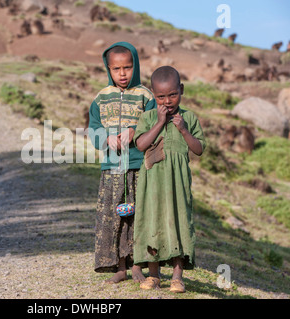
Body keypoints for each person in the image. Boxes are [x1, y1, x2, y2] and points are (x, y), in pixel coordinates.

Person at [133, 66, 206, 293]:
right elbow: (141, 144)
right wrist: (159, 123)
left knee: (179, 224)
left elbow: (199, 149)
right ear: (153, 94)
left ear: (181, 90)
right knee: (152, 224)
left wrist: (184, 130)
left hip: (178, 185)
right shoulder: (147, 117)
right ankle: (154, 276)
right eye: (161, 96)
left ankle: (177, 277)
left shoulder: (189, 118)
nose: (167, 101)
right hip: (152, 186)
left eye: (172, 94)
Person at [88, 42, 156, 284]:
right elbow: (93, 128)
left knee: (139, 216)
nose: (123, 73)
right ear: (109, 69)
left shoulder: (146, 96)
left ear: (135, 65)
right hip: (112, 167)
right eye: (117, 69)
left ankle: (139, 264)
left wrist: (133, 130)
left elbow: (153, 125)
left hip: (140, 166)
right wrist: (106, 137)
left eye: (127, 67)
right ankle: (119, 266)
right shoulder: (101, 98)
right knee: (113, 216)